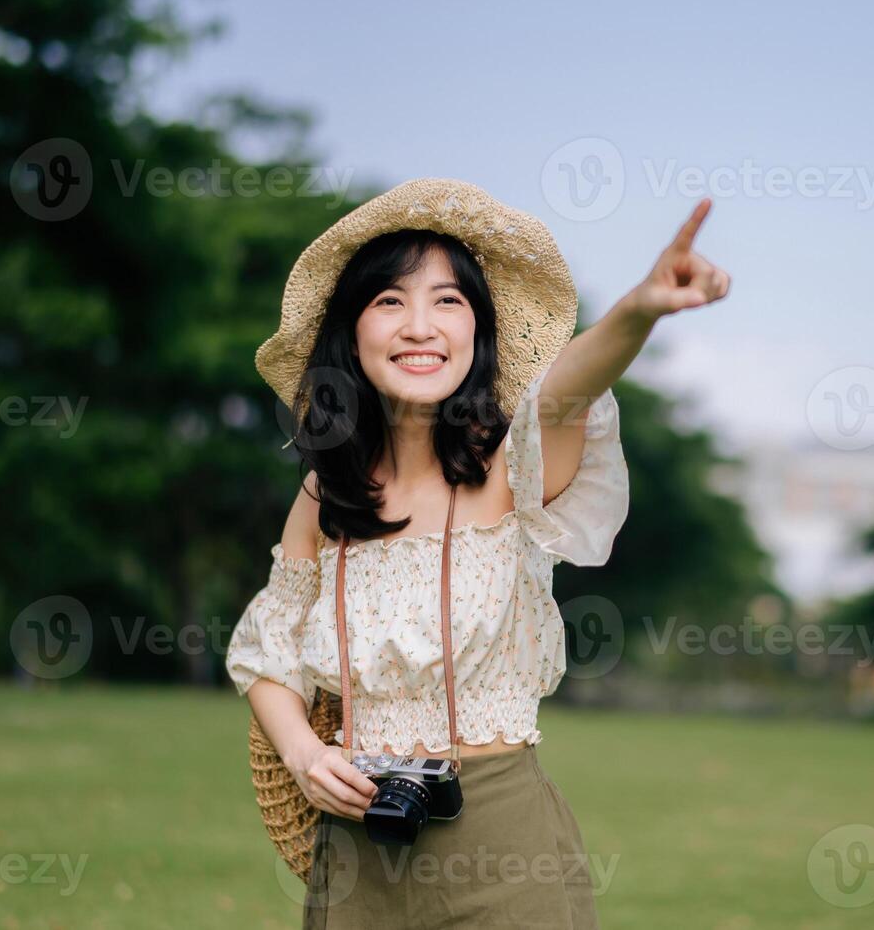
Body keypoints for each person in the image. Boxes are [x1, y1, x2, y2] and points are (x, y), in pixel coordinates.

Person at [225, 178, 731, 928]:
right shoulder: (323, 495)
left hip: (497, 838)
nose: (419, 326)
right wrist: (304, 756)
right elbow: (269, 656)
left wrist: (638, 309)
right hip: (359, 846)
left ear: (477, 330)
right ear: (351, 331)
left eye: (448, 301)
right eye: (389, 301)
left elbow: (566, 389)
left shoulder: (510, 467)